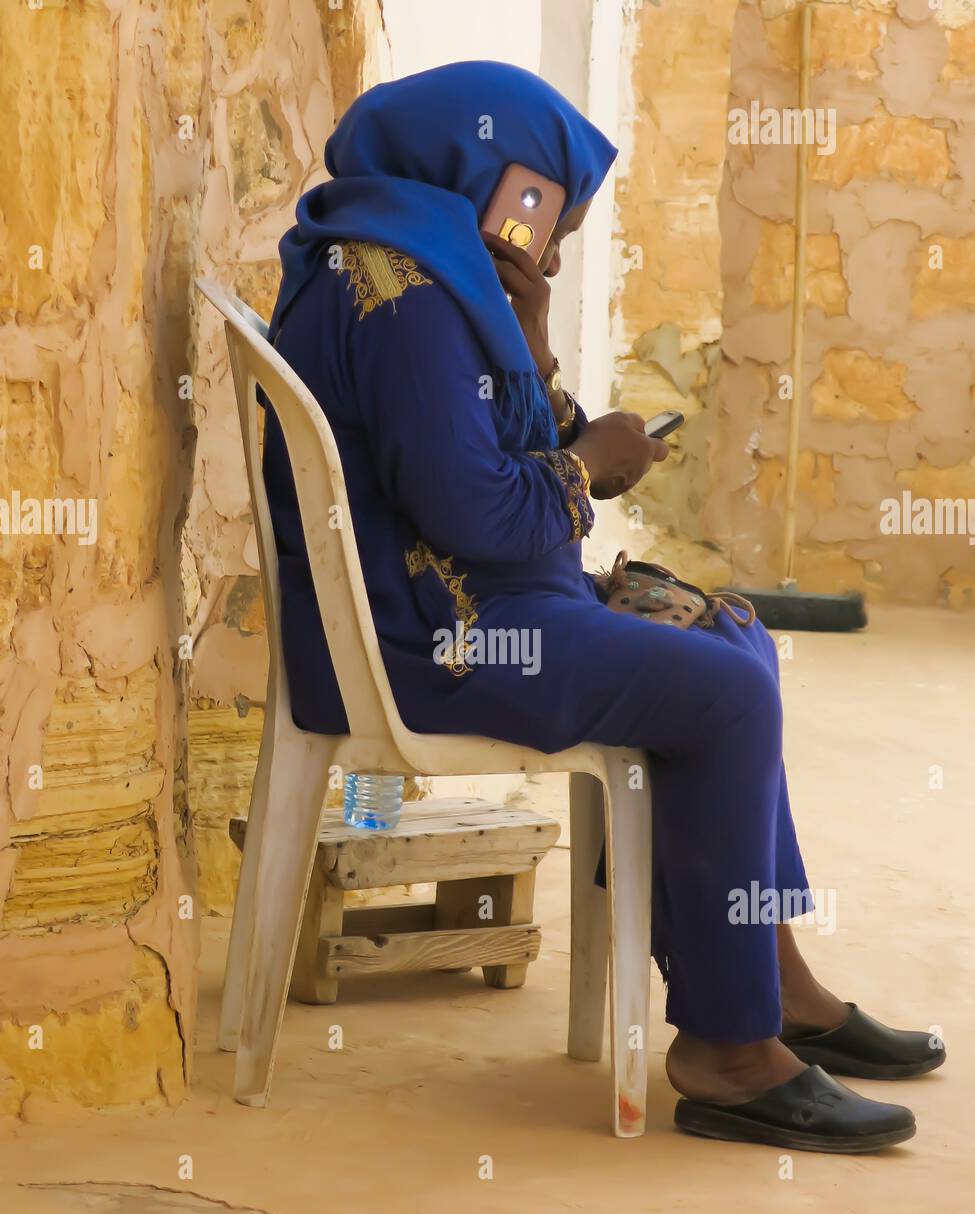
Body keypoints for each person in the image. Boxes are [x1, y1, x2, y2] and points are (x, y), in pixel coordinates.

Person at [261, 61, 944, 1152]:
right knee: (721, 694)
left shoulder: (406, 256)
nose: (553, 241)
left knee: (733, 635)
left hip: (470, 606)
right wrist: (593, 465)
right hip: (438, 637)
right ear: (486, 169)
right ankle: (726, 1051)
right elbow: (484, 512)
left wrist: (530, 347)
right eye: (544, 208)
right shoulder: (406, 298)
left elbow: (469, 455)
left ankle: (771, 976)